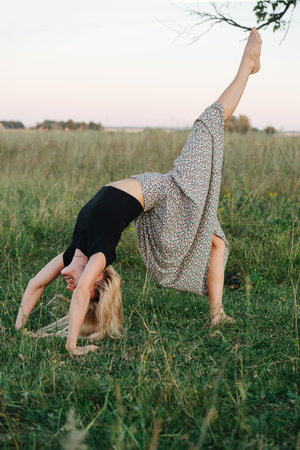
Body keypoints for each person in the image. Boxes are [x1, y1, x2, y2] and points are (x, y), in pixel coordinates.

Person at [15, 27, 262, 356]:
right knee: (207, 123)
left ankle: (217, 315)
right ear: (97, 279)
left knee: (216, 240)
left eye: (76, 285)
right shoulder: (100, 253)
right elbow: (79, 291)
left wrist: (20, 329)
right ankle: (247, 64)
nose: (70, 284)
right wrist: (72, 348)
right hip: (166, 192)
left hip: (156, 201)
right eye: (84, 289)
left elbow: (35, 284)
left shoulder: (72, 252)